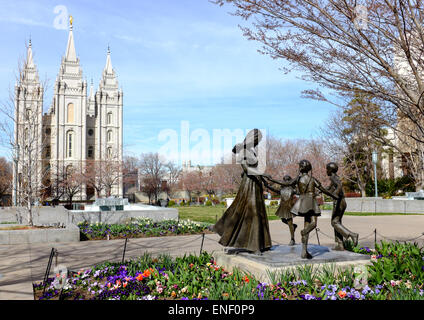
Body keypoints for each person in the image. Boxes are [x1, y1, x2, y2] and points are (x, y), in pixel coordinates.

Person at [212, 129, 272, 255]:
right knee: (252, 212)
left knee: (259, 213)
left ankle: (263, 243)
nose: (258, 142)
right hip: (249, 185)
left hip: (256, 184)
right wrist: (262, 174)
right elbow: (246, 168)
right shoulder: (243, 150)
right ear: (252, 138)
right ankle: (254, 246)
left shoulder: (252, 151)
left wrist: (264, 181)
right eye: (257, 139)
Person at [266, 160, 338, 259]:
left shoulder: (298, 179)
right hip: (311, 202)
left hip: (302, 201)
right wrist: (333, 196)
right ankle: (304, 232)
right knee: (313, 223)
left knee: (307, 223)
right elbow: (323, 189)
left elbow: (285, 183)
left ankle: (304, 251)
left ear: (301, 168)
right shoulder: (312, 179)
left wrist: (272, 180)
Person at [325, 162, 359, 250]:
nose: (326, 171)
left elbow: (339, 186)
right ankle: (340, 245)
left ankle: (352, 235)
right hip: (342, 201)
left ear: (330, 170)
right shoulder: (336, 177)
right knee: (337, 222)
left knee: (334, 222)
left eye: (327, 169)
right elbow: (330, 188)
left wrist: (335, 194)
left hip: (339, 202)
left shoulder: (333, 177)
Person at [263, 175, 298, 246]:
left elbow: (298, 191)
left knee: (290, 222)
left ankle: (292, 239)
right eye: (285, 180)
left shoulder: (292, 189)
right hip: (283, 207)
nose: (285, 181)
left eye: (287, 180)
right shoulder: (281, 190)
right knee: (283, 219)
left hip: (289, 207)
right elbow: (273, 189)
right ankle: (293, 226)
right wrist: (266, 185)